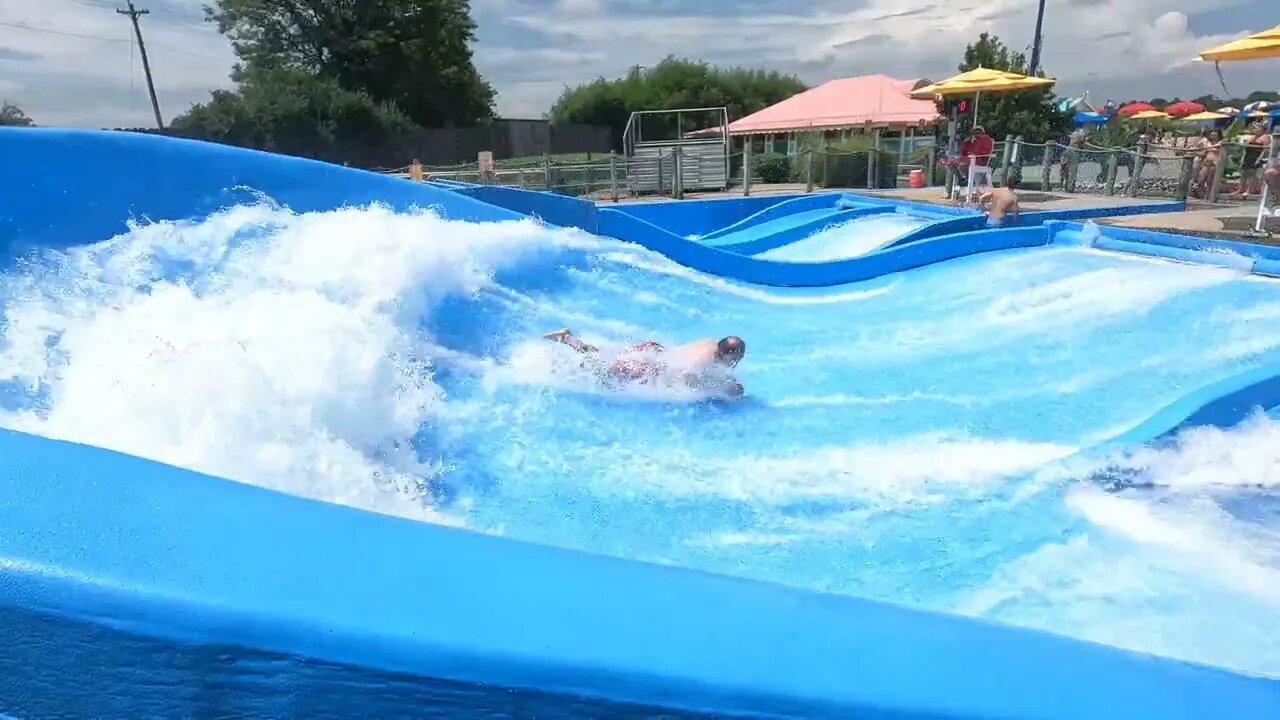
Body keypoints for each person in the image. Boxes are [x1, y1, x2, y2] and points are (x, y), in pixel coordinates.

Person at [543, 328, 745, 396]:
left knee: (603, 359)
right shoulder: (704, 361)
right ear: (727, 355)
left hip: (653, 349)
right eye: (736, 358)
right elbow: (688, 379)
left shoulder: (711, 345)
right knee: (603, 371)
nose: (737, 361)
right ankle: (560, 353)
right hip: (649, 365)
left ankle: (566, 341)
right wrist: (715, 388)